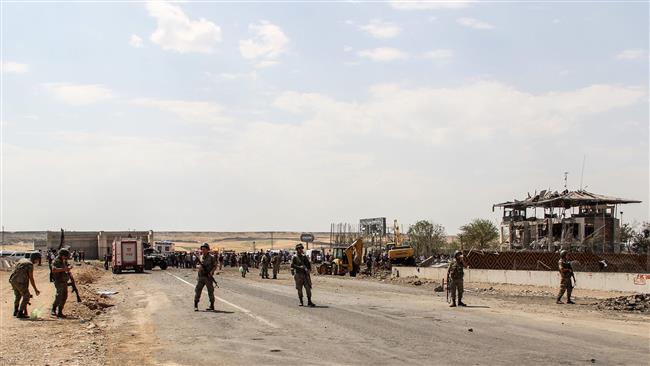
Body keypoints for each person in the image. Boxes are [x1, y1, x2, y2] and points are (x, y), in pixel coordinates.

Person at [9, 252, 41, 318]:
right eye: (38, 259)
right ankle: (20, 313)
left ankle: (15, 311)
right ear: (35, 259)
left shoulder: (22, 260)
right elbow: (31, 278)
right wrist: (35, 289)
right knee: (26, 296)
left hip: (13, 280)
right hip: (20, 282)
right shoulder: (30, 265)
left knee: (18, 296)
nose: (38, 261)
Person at [195, 243, 216, 311]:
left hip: (208, 277)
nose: (202, 250)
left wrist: (211, 272)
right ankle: (196, 305)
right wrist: (199, 267)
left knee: (210, 291)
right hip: (201, 277)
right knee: (198, 290)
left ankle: (212, 305)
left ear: (207, 249)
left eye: (204, 249)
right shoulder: (200, 257)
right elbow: (196, 265)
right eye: (202, 249)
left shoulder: (212, 257)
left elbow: (215, 266)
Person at [51, 249, 71, 317]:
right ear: (62, 255)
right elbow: (54, 270)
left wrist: (68, 268)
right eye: (65, 256)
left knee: (64, 296)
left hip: (64, 280)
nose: (66, 258)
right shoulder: (56, 261)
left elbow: (66, 266)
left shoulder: (64, 260)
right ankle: (53, 309)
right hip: (58, 281)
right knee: (59, 296)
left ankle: (60, 312)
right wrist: (65, 269)